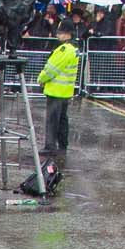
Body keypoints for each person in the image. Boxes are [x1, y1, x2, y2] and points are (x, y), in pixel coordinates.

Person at [39, 20, 79, 163]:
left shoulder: (63, 50)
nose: (58, 35)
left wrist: (41, 78)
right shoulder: (74, 49)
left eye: (60, 32)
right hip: (66, 90)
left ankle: (50, 146)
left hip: (56, 90)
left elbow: (52, 69)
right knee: (62, 120)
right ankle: (62, 145)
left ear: (67, 34)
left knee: (52, 121)